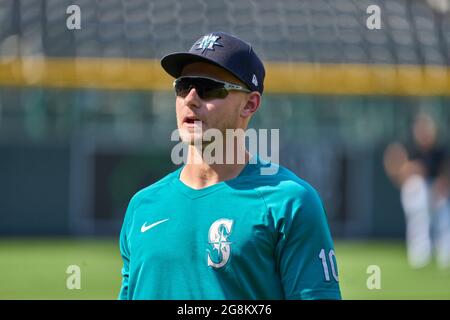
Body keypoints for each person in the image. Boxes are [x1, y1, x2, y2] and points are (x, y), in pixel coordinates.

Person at [118, 31, 341, 299]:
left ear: (250, 104)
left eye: (208, 88)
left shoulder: (290, 202)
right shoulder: (142, 205)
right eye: (182, 86)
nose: (190, 99)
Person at [384, 113, 450, 269]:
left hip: (436, 190)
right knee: (417, 189)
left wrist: (442, 182)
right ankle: (420, 252)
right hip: (417, 191)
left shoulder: (440, 149)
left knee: (443, 210)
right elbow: (395, 169)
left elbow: (444, 173)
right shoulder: (408, 146)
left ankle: (445, 252)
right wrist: (411, 170)